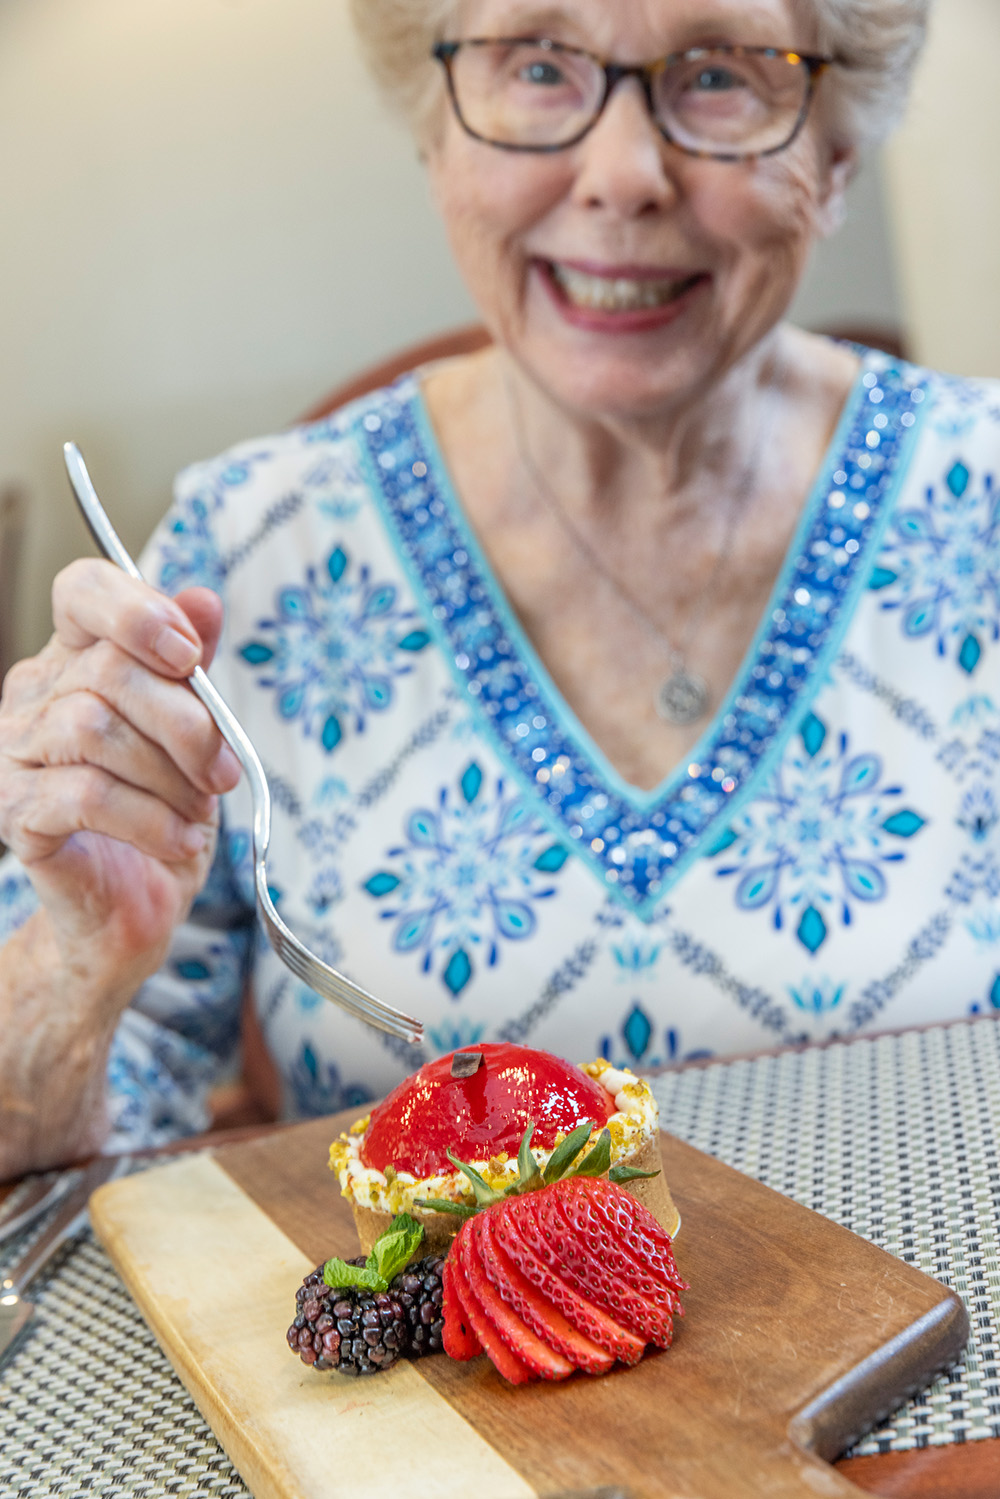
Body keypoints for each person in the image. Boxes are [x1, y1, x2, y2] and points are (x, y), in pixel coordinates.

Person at [1, 0, 995, 1179]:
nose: (622, 174)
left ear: (834, 155)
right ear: (437, 140)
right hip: (443, 1363)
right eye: (536, 63)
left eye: (721, 75)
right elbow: (74, 1174)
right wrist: (72, 976)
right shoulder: (242, 550)